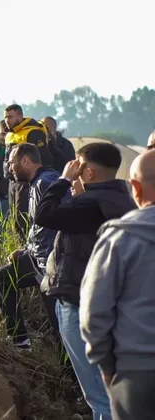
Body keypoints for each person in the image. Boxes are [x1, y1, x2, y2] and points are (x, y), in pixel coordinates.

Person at [36, 143, 135, 420]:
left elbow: (43, 214)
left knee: (98, 395)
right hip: (113, 303)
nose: (75, 169)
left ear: (89, 173)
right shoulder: (123, 200)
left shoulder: (88, 205)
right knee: (112, 389)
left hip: (79, 303)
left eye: (79, 165)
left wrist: (64, 179)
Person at [80, 149, 155, 420]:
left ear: (134, 187)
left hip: (136, 375)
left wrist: (107, 367)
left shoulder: (119, 239)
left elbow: (93, 315)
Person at [0, 143, 65, 350]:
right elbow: (38, 227)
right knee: (4, 277)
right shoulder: (35, 183)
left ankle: (73, 377)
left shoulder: (47, 182)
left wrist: (49, 265)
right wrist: (26, 250)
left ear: (25, 161)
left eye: (12, 163)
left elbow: (58, 223)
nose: (10, 168)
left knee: (60, 328)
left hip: (50, 264)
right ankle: (20, 341)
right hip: (36, 257)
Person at [3, 105, 52, 242]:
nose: (7, 120)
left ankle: (29, 251)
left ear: (19, 116)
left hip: (27, 182)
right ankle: (20, 249)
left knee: (23, 218)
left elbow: (44, 159)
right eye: (5, 117)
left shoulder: (33, 132)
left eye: (10, 116)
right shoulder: (10, 135)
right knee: (15, 220)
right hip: (12, 182)